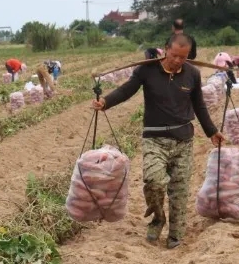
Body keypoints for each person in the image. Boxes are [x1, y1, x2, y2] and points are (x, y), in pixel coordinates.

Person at [92, 34, 225, 249]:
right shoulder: (146, 71)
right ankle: (158, 218)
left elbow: (199, 105)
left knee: (179, 190)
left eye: (183, 57)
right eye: (174, 56)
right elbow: (127, 90)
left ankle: (176, 234)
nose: (178, 61)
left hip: (183, 139)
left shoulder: (193, 74)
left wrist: (212, 131)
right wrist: (105, 102)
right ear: (165, 50)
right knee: (153, 181)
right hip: (155, 138)